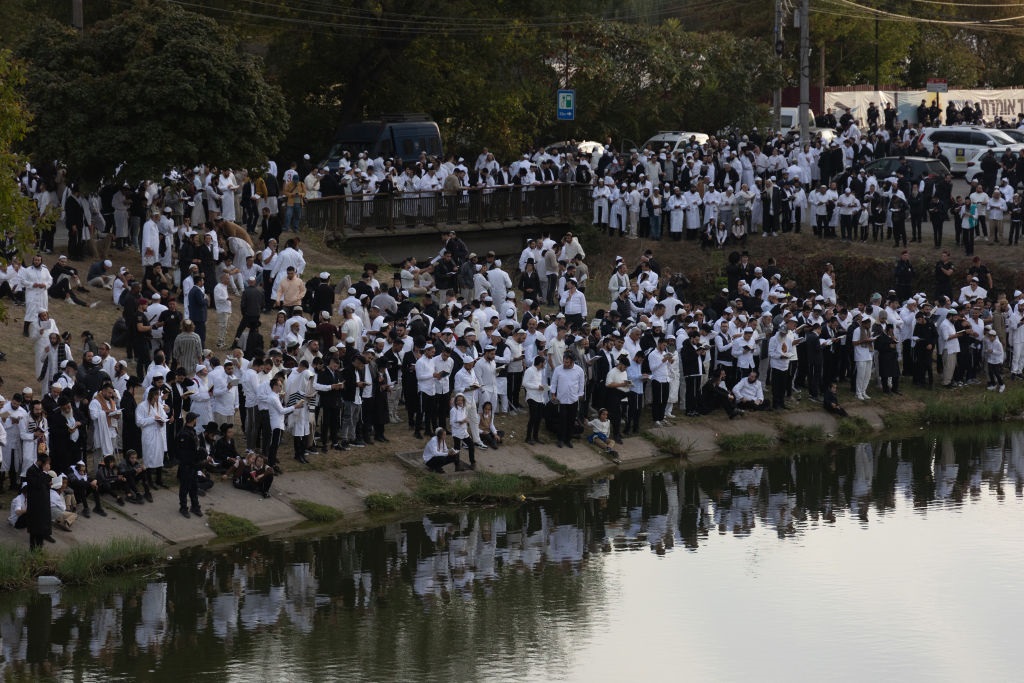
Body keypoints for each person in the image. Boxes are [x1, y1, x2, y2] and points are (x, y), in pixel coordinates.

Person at [550, 353, 585, 448]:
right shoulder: (558, 369)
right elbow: (554, 383)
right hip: (561, 400)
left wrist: (580, 394)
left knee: (571, 420)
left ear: (572, 362)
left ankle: (568, 439)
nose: (565, 363)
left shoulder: (579, 370)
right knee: (562, 420)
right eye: (564, 361)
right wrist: (553, 394)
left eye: (567, 362)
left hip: (573, 399)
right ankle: (560, 439)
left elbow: (582, 383)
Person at [24, 446, 55, 548]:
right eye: (47, 464)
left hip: (44, 504)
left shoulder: (42, 472)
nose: (48, 466)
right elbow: (36, 484)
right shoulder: (31, 471)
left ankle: (40, 549)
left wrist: (49, 483)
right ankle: (33, 550)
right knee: (35, 529)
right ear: (40, 463)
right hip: (35, 505)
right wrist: (45, 473)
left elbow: (45, 482)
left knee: (42, 529)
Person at [175, 411, 203, 519]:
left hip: (193, 465)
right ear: (192, 420)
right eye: (196, 419)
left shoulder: (192, 431)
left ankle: (195, 506)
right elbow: (182, 452)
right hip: (186, 465)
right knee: (184, 488)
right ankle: (183, 507)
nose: (197, 421)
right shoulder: (184, 434)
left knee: (194, 487)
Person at [523, 355, 547, 445]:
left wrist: (544, 388)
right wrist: (537, 387)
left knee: (539, 418)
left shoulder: (540, 371)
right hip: (532, 397)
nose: (544, 365)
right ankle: (528, 437)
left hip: (540, 397)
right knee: (533, 417)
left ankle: (535, 437)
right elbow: (524, 383)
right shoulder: (529, 370)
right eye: (544, 363)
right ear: (540, 363)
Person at [448, 393, 476, 469]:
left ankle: (472, 462)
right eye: (458, 400)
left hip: (464, 432)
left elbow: (465, 418)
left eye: (461, 400)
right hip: (456, 432)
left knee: (471, 445)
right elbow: (452, 422)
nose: (460, 401)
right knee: (457, 449)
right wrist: (461, 422)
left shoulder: (464, 408)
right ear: (456, 401)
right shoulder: (453, 410)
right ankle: (457, 465)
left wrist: (466, 421)